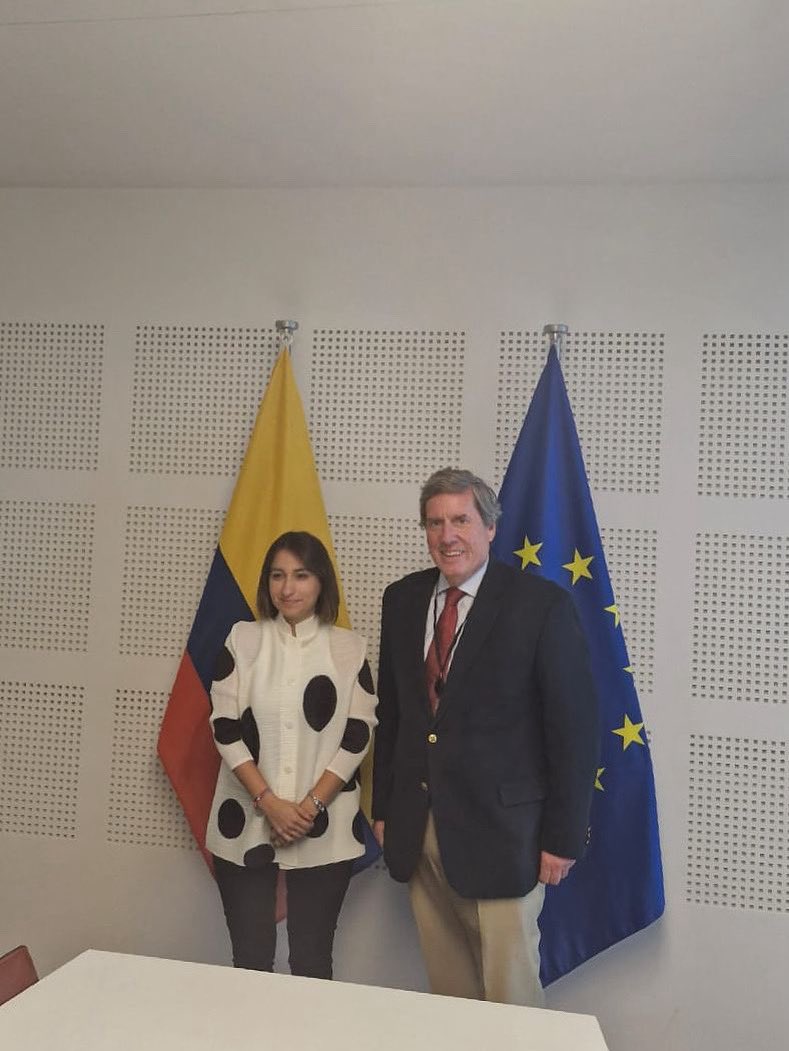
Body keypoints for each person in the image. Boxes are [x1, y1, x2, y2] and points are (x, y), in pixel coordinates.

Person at [372, 468, 599, 1007]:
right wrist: (382, 807)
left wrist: (563, 838)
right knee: (449, 995)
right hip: (419, 827)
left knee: (509, 997)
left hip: (506, 838)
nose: (447, 535)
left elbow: (574, 729)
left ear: (490, 527)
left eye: (460, 520)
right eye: (435, 523)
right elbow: (394, 713)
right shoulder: (402, 600)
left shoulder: (540, 606)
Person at [206, 531, 377, 979]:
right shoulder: (243, 639)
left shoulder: (349, 648)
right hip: (245, 822)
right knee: (250, 962)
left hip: (325, 825)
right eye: (278, 575)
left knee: (312, 962)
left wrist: (308, 808)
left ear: (321, 582)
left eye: (301, 575)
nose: (288, 588)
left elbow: (357, 735)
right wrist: (270, 804)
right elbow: (224, 728)